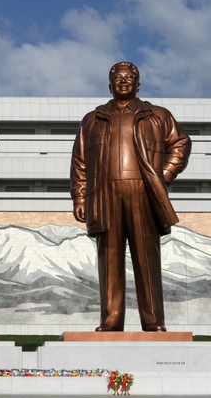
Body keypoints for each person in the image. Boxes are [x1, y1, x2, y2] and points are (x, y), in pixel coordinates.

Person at [70, 62, 191, 332]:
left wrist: (162, 176)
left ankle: (153, 320)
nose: (123, 81)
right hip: (104, 194)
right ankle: (111, 319)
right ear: (109, 85)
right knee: (109, 258)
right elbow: (79, 162)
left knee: (147, 258)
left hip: (143, 192)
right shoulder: (92, 120)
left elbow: (181, 143)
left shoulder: (157, 115)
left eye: (129, 77)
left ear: (138, 85)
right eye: (117, 78)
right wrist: (80, 198)